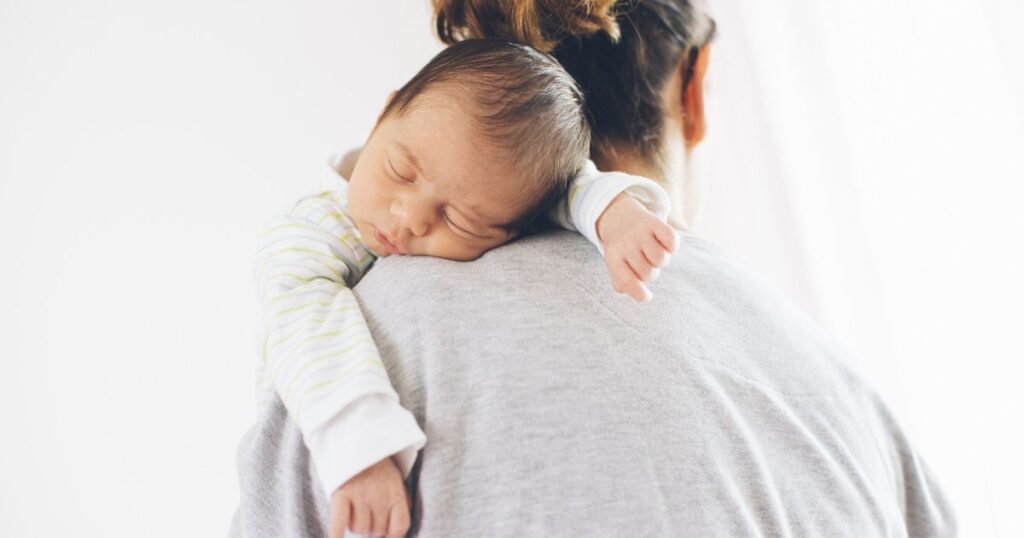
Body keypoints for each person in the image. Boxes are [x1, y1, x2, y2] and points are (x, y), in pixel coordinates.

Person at [232, 1, 957, 537]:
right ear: (695, 85)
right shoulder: (838, 385)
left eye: (459, 216)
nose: (414, 220)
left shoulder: (344, 357)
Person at [252, 37, 681, 538]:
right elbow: (305, 323)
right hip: (322, 441)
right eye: (401, 171)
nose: (409, 218)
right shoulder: (309, 232)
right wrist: (359, 445)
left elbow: (560, 187)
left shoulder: (500, 191)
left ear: (513, 228)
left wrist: (615, 215)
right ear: (383, 113)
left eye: (456, 219)